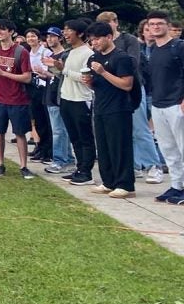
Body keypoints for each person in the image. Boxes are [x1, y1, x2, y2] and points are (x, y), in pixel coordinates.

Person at [98, 11, 164, 183]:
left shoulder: (129, 40)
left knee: (140, 128)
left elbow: (132, 62)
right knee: (123, 131)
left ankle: (153, 165)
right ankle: (134, 165)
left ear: (116, 22)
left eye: (108, 23)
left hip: (132, 87)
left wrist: (109, 65)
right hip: (110, 91)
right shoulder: (100, 43)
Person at [83, 22, 137, 197]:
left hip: (119, 108)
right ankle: (108, 181)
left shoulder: (121, 58)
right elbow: (96, 85)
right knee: (104, 146)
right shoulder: (93, 58)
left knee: (119, 146)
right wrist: (90, 82)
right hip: (100, 106)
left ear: (109, 37)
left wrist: (103, 72)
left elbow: (127, 84)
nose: (94, 43)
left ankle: (125, 184)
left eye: (97, 39)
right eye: (92, 40)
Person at [0, 20, 34, 179]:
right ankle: (0, 164)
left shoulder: (21, 52)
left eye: (3, 30)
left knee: (20, 133)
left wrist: (3, 73)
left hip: (18, 99)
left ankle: (24, 166)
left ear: (11, 32)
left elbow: (27, 78)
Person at [145, 10, 184, 203]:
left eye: (159, 23)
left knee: (182, 146)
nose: (156, 27)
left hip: (176, 103)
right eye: (152, 24)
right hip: (158, 103)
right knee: (168, 148)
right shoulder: (153, 50)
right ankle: (176, 185)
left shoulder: (179, 47)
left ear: (168, 26)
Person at [58, 18, 97, 186]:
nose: (65, 33)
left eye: (69, 30)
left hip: (81, 99)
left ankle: (86, 172)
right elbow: (65, 74)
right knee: (74, 136)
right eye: (64, 29)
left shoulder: (87, 53)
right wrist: (55, 68)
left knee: (84, 137)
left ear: (80, 33)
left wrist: (64, 70)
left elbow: (84, 78)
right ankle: (79, 167)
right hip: (67, 98)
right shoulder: (71, 51)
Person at [41, 27, 76, 175]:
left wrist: (50, 71)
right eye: (48, 36)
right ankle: (67, 159)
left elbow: (64, 74)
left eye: (53, 36)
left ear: (60, 38)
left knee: (59, 131)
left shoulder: (65, 55)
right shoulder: (51, 55)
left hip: (59, 96)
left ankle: (60, 160)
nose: (49, 39)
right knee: (60, 130)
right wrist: (45, 74)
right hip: (50, 94)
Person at [24, 28, 54, 163]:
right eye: (28, 36)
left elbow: (49, 71)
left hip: (43, 86)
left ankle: (48, 150)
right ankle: (40, 147)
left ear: (38, 38)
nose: (31, 39)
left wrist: (42, 72)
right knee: (36, 120)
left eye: (33, 36)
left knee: (45, 120)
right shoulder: (28, 53)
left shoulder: (46, 52)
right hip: (32, 87)